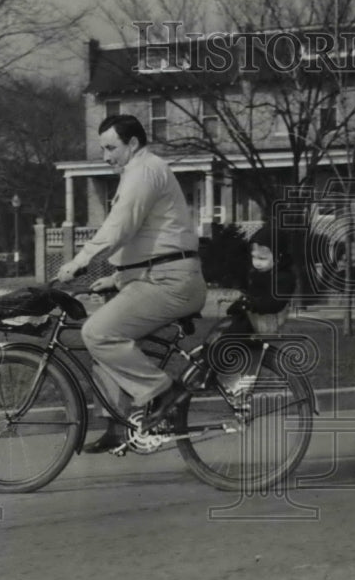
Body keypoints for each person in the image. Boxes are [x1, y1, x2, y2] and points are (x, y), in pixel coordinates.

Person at [56, 114, 207, 451]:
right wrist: (116, 277)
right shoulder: (137, 172)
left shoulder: (144, 171)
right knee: (105, 343)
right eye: (103, 149)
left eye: (111, 148)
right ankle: (119, 428)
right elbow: (150, 239)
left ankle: (166, 392)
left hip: (170, 282)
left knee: (97, 333)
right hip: (157, 276)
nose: (106, 156)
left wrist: (80, 262)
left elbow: (119, 228)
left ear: (133, 144)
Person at [222, 223, 296, 337]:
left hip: (267, 320)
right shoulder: (259, 273)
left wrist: (251, 304)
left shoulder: (283, 277)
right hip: (254, 318)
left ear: (278, 257)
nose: (257, 262)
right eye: (254, 257)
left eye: (262, 258)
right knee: (225, 328)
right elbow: (252, 292)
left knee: (231, 335)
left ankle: (219, 348)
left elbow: (274, 302)